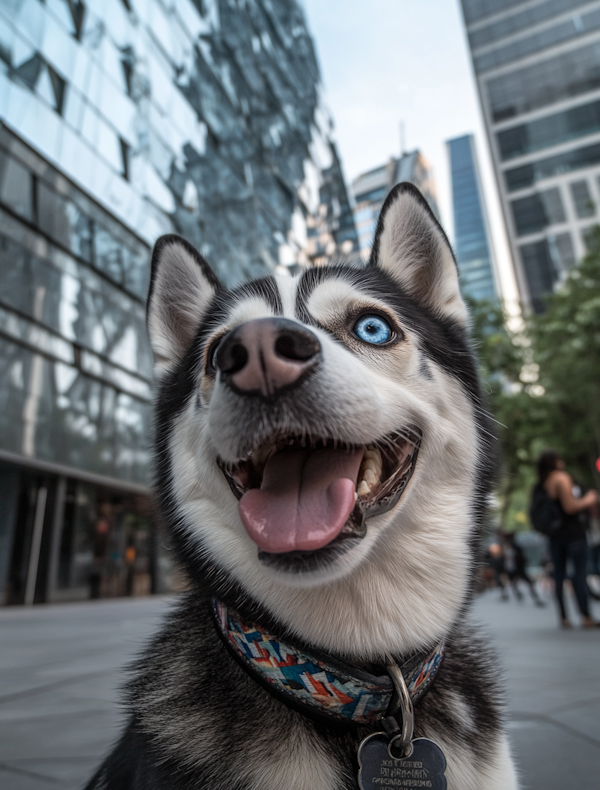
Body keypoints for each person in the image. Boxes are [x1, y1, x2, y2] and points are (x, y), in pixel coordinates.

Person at [535, 450, 599, 628]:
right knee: (579, 574)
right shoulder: (561, 478)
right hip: (573, 533)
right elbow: (570, 507)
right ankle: (585, 616)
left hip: (555, 536)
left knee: (559, 575)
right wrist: (589, 499)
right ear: (555, 462)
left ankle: (563, 617)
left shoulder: (543, 483)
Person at [501, 532, 545, 606]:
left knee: (519, 583)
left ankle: (530, 598)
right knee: (519, 583)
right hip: (514, 569)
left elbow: (519, 558)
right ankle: (531, 598)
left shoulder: (513, 546)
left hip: (516, 568)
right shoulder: (509, 546)